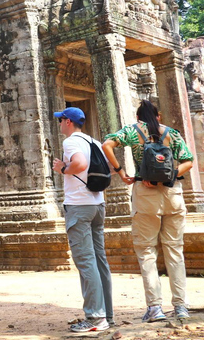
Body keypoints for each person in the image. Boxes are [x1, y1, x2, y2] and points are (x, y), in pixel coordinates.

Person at [103, 99, 194, 322]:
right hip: (173, 194)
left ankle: (155, 308)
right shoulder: (171, 133)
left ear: (138, 118)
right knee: (175, 251)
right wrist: (170, 175)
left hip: (145, 195)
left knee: (146, 252)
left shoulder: (133, 132)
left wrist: (121, 171)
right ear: (158, 116)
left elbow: (107, 144)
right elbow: (188, 161)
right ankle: (181, 306)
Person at [52, 107, 113, 333]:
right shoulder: (94, 141)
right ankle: (107, 314)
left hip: (79, 206)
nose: (60, 125)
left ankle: (96, 318)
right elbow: (110, 168)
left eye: (61, 121)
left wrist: (63, 169)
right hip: (98, 204)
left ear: (68, 122)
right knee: (99, 260)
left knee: (86, 262)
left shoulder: (71, 142)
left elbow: (79, 164)